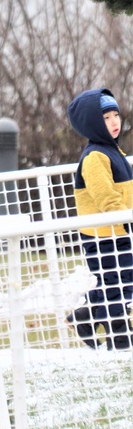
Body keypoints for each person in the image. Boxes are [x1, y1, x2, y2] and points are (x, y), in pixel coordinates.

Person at [65, 88, 133, 350]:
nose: (115, 122)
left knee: (120, 281)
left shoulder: (113, 151)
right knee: (116, 282)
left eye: (116, 115)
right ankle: (115, 335)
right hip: (103, 235)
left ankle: (88, 319)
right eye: (106, 117)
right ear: (92, 123)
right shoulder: (95, 156)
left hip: (119, 231)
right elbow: (106, 198)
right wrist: (128, 219)